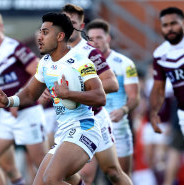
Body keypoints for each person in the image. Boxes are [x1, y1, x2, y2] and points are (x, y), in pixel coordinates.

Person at [0, 12, 108, 185]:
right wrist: (9, 101)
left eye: (45, 32)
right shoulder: (45, 63)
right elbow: (29, 94)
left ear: (59, 36)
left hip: (84, 129)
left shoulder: (80, 62)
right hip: (64, 133)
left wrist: (69, 94)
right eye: (40, 32)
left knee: (51, 179)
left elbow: (100, 97)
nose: (39, 37)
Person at [61, 4, 133, 185]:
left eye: (73, 22)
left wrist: (75, 92)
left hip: (93, 118)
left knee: (113, 172)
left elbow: (112, 83)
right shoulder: (56, 51)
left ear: (81, 26)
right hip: (69, 119)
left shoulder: (89, 52)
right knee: (69, 173)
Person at [0, 8, 48, 185]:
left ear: (0, 26)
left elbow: (40, 71)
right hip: (7, 115)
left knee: (44, 167)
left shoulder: (14, 46)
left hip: (28, 111)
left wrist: (18, 99)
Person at [86, 18, 140, 177]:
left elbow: (134, 98)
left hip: (118, 127)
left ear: (108, 38)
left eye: (99, 38)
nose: (95, 42)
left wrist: (124, 109)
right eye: (91, 38)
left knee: (119, 176)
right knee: (85, 175)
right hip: (90, 125)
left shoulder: (125, 63)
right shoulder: (81, 63)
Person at [149, 7, 184, 167]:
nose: (169, 28)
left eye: (173, 23)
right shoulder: (160, 54)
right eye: (165, 25)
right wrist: (154, 112)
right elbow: (158, 88)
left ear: (183, 22)